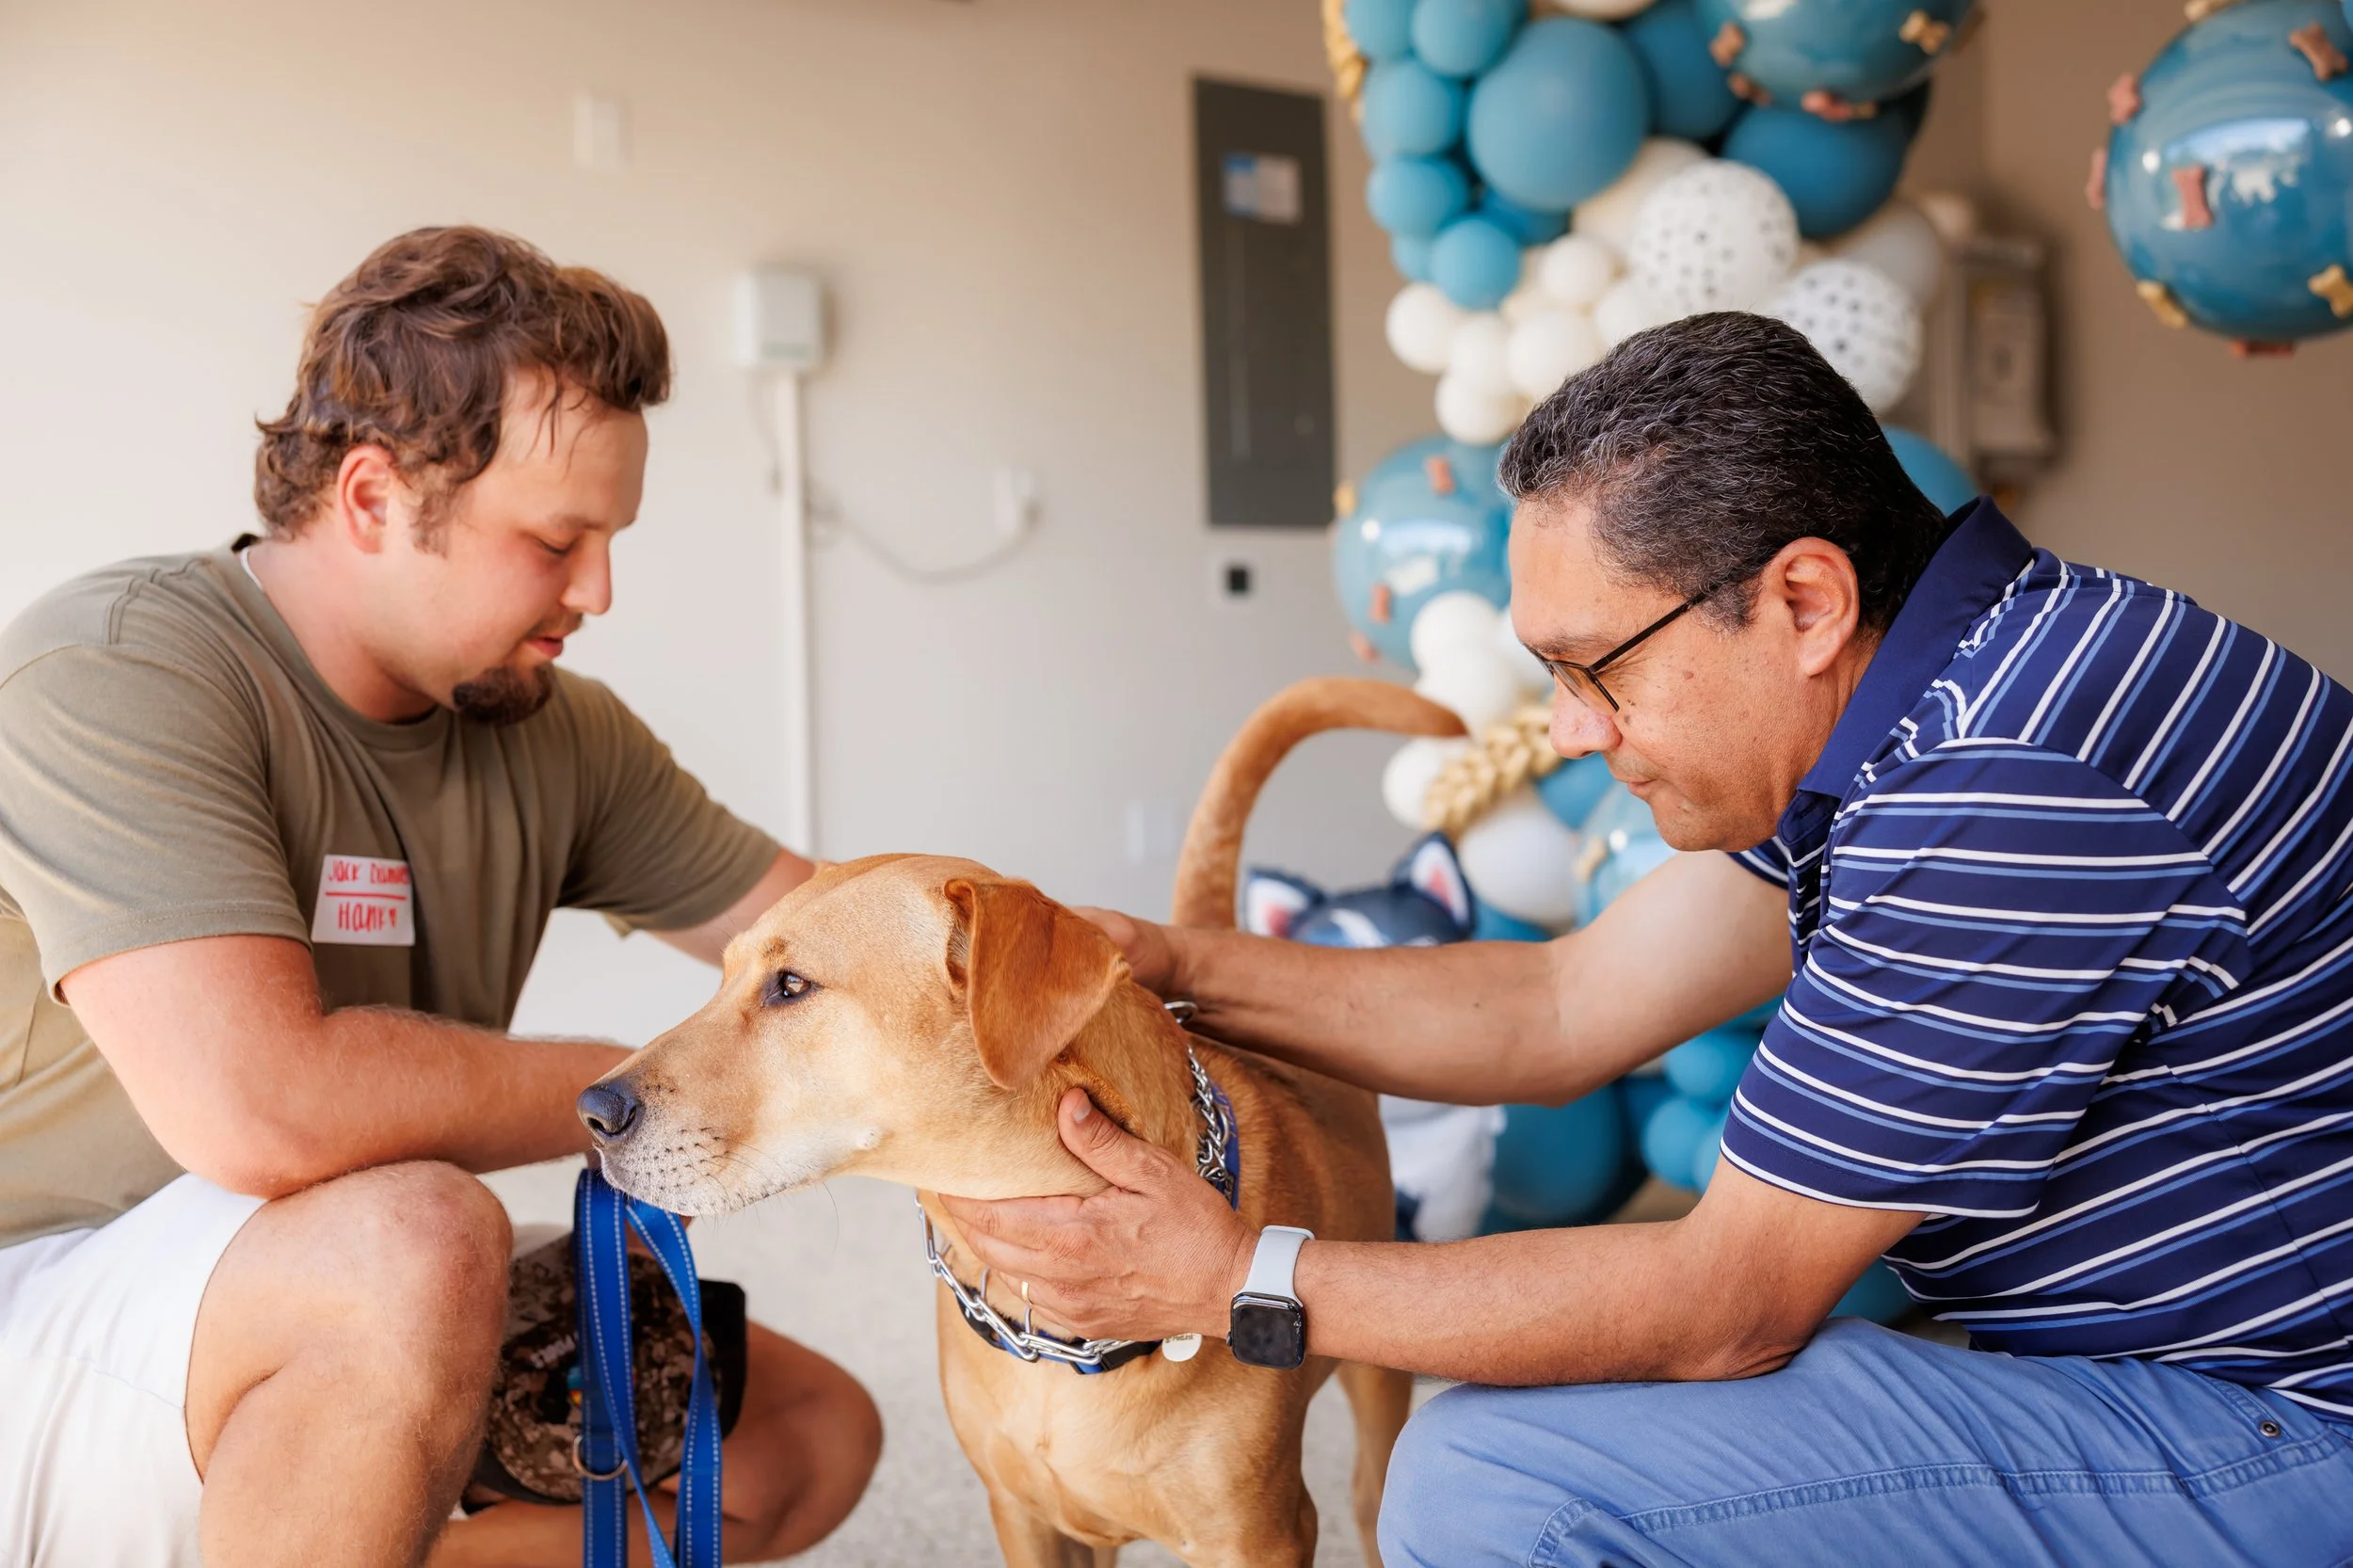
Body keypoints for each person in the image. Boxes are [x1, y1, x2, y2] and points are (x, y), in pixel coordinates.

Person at [942, 313, 2353, 1566]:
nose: (1566, 730)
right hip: (2199, 1368)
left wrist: (1238, 1279)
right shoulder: (1962, 688)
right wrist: (1171, 965)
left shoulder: (2003, 786)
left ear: (1806, 601)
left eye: (1593, 668)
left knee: (1493, 1479)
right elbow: (1561, 1007)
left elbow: (1722, 1302)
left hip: (2298, 1432)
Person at [0, 227, 879, 1568]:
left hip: (286, 1289)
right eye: (554, 539)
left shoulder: (556, 730)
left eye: (608, 539)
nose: (596, 589)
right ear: (370, 497)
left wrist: (1112, 985)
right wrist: (651, 1097)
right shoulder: (120, 667)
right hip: (46, 1298)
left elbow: (843, 937)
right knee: (418, 1238)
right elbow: (264, 1106)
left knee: (799, 1436)